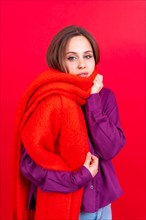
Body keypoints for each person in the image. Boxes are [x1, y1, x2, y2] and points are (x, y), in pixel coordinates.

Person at [13, 25, 126, 220]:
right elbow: (29, 164)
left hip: (102, 205)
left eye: (87, 56)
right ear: (59, 61)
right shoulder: (50, 99)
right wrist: (78, 177)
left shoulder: (104, 97)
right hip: (68, 207)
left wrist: (93, 101)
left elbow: (110, 148)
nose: (82, 65)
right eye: (72, 58)